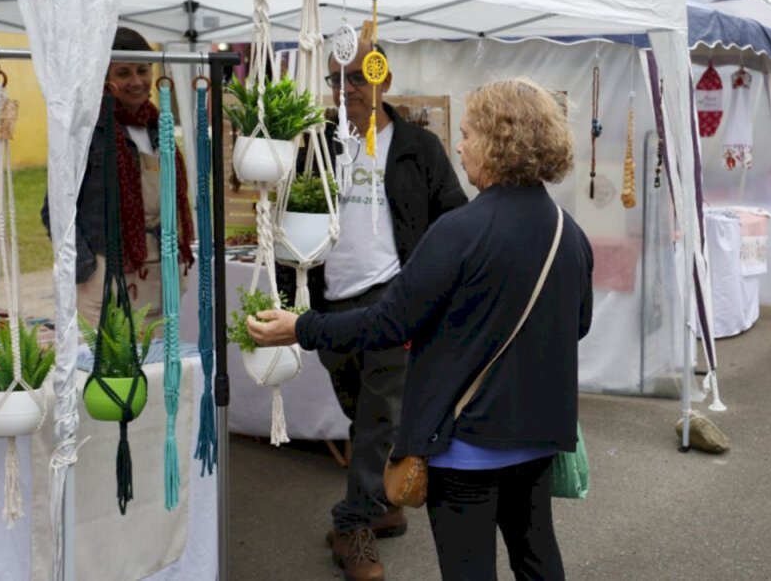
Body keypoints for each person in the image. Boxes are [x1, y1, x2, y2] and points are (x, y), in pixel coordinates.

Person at [249, 77, 593, 581]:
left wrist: (301, 327)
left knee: (468, 567)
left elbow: (390, 323)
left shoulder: (458, 231)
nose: (460, 144)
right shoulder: (570, 233)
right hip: (539, 436)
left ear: (500, 143)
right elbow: (576, 327)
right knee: (537, 555)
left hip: (465, 443)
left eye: (471, 134)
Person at [287, 39, 466, 580]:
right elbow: (293, 210)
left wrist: (432, 285)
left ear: (383, 79)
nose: (345, 90)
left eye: (357, 78)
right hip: (329, 298)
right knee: (357, 405)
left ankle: (353, 527)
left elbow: (453, 216)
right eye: (334, 80)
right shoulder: (317, 141)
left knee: (378, 413)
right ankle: (384, 503)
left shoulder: (417, 146)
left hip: (394, 294)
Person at [41, 26, 194, 328]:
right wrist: (87, 268)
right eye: (124, 73)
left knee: (160, 366)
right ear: (104, 78)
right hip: (104, 271)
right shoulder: (84, 131)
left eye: (142, 70)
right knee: (106, 367)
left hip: (159, 267)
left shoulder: (158, 125)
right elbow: (54, 210)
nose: (137, 82)